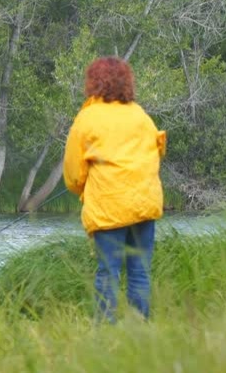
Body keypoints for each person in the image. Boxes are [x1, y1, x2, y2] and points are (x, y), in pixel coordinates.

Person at [63, 56, 166, 322]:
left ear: (93, 83)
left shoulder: (87, 118)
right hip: (144, 204)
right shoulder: (140, 115)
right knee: (140, 272)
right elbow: (158, 151)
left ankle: (106, 334)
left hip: (109, 208)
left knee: (108, 273)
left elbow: (74, 174)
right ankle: (139, 331)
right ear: (126, 82)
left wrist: (82, 188)